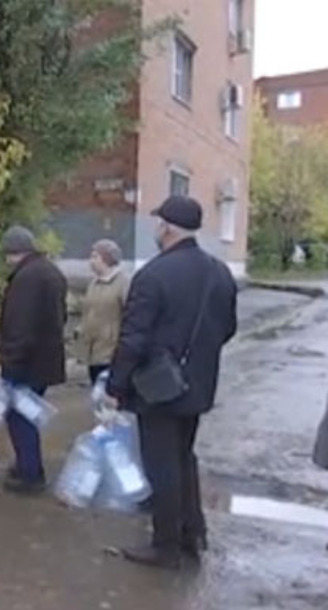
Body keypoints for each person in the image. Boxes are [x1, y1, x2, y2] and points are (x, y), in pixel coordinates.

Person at [106, 195, 237, 569]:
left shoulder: (153, 275)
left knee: (161, 464)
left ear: (166, 227)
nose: (156, 228)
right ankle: (192, 533)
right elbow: (227, 329)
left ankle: (165, 546)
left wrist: (116, 385)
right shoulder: (220, 272)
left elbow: (134, 338)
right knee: (183, 457)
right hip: (197, 386)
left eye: (158, 222)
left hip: (157, 388)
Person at [0, 225, 68, 494]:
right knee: (28, 414)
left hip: (26, 363)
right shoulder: (51, 271)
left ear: (14, 252)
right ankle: (27, 465)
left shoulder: (25, 278)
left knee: (20, 417)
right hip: (46, 359)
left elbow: (20, 325)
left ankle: (30, 474)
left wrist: (11, 363)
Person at [79, 239, 130, 384]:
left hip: (112, 352)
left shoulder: (123, 283)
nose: (91, 261)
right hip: (93, 351)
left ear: (107, 258)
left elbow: (130, 315)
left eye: (95, 256)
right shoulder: (93, 283)